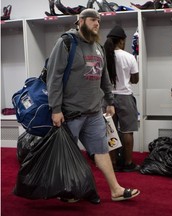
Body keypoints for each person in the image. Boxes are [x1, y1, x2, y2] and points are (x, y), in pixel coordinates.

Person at [46, 8, 140, 204]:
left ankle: (115, 190)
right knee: (68, 155)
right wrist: (55, 109)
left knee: (102, 150)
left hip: (94, 112)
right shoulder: (66, 43)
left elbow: (104, 78)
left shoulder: (97, 47)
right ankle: (67, 191)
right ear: (79, 21)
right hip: (70, 113)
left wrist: (110, 101)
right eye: (92, 20)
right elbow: (53, 78)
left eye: (98, 20)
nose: (97, 23)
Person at [103, 25, 140, 172]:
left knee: (110, 131)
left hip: (107, 99)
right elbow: (135, 80)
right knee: (127, 131)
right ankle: (128, 163)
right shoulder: (129, 57)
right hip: (125, 97)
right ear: (122, 41)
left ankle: (112, 163)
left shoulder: (103, 56)